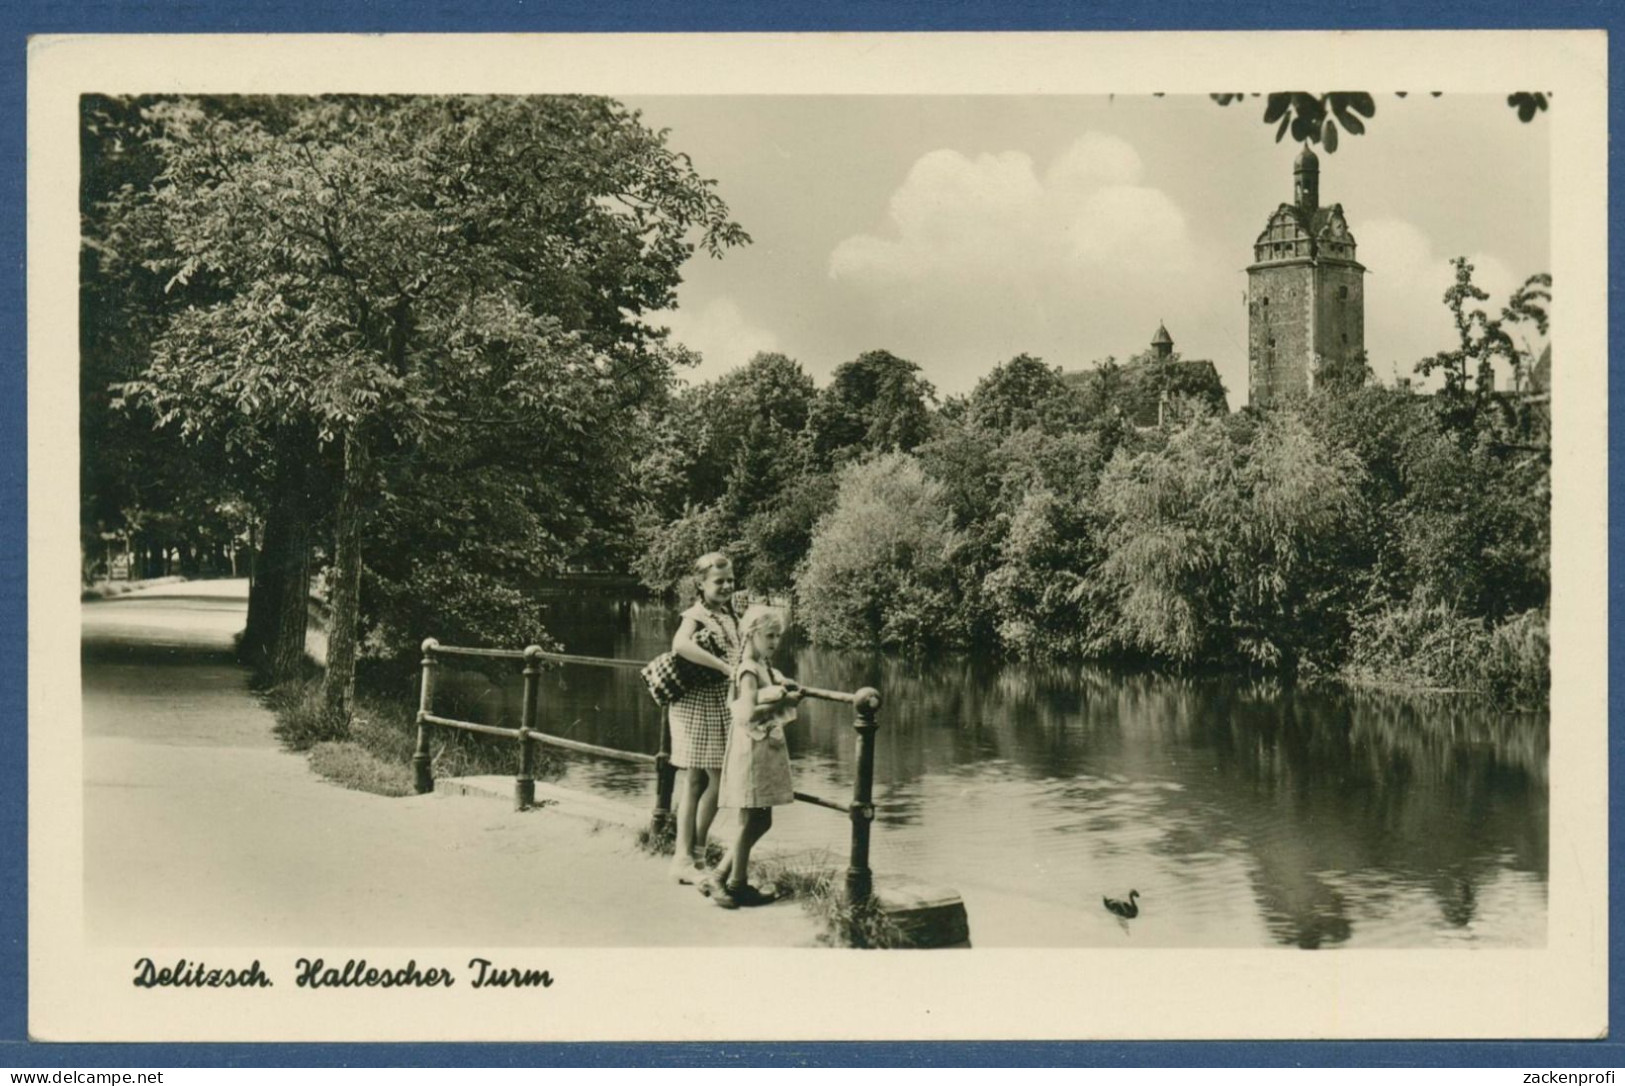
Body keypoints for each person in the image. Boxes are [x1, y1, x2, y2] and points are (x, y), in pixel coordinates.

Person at [705, 604, 803, 909]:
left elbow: (766, 690)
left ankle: (725, 878)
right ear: (752, 634)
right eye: (769, 635)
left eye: (778, 636)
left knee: (760, 820)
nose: (775, 642)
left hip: (762, 747)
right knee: (752, 819)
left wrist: (781, 686)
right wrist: (783, 701)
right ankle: (732, 882)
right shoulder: (748, 668)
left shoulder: (763, 665)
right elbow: (746, 712)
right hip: (752, 747)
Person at [666, 552, 740, 884]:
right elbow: (680, 645)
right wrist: (724, 668)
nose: (725, 586)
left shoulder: (728, 614)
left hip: (718, 704)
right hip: (698, 704)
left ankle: (690, 857)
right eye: (718, 581)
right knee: (707, 779)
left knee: (703, 780)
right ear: (701, 584)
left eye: (730, 580)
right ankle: (687, 856)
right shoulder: (696, 614)